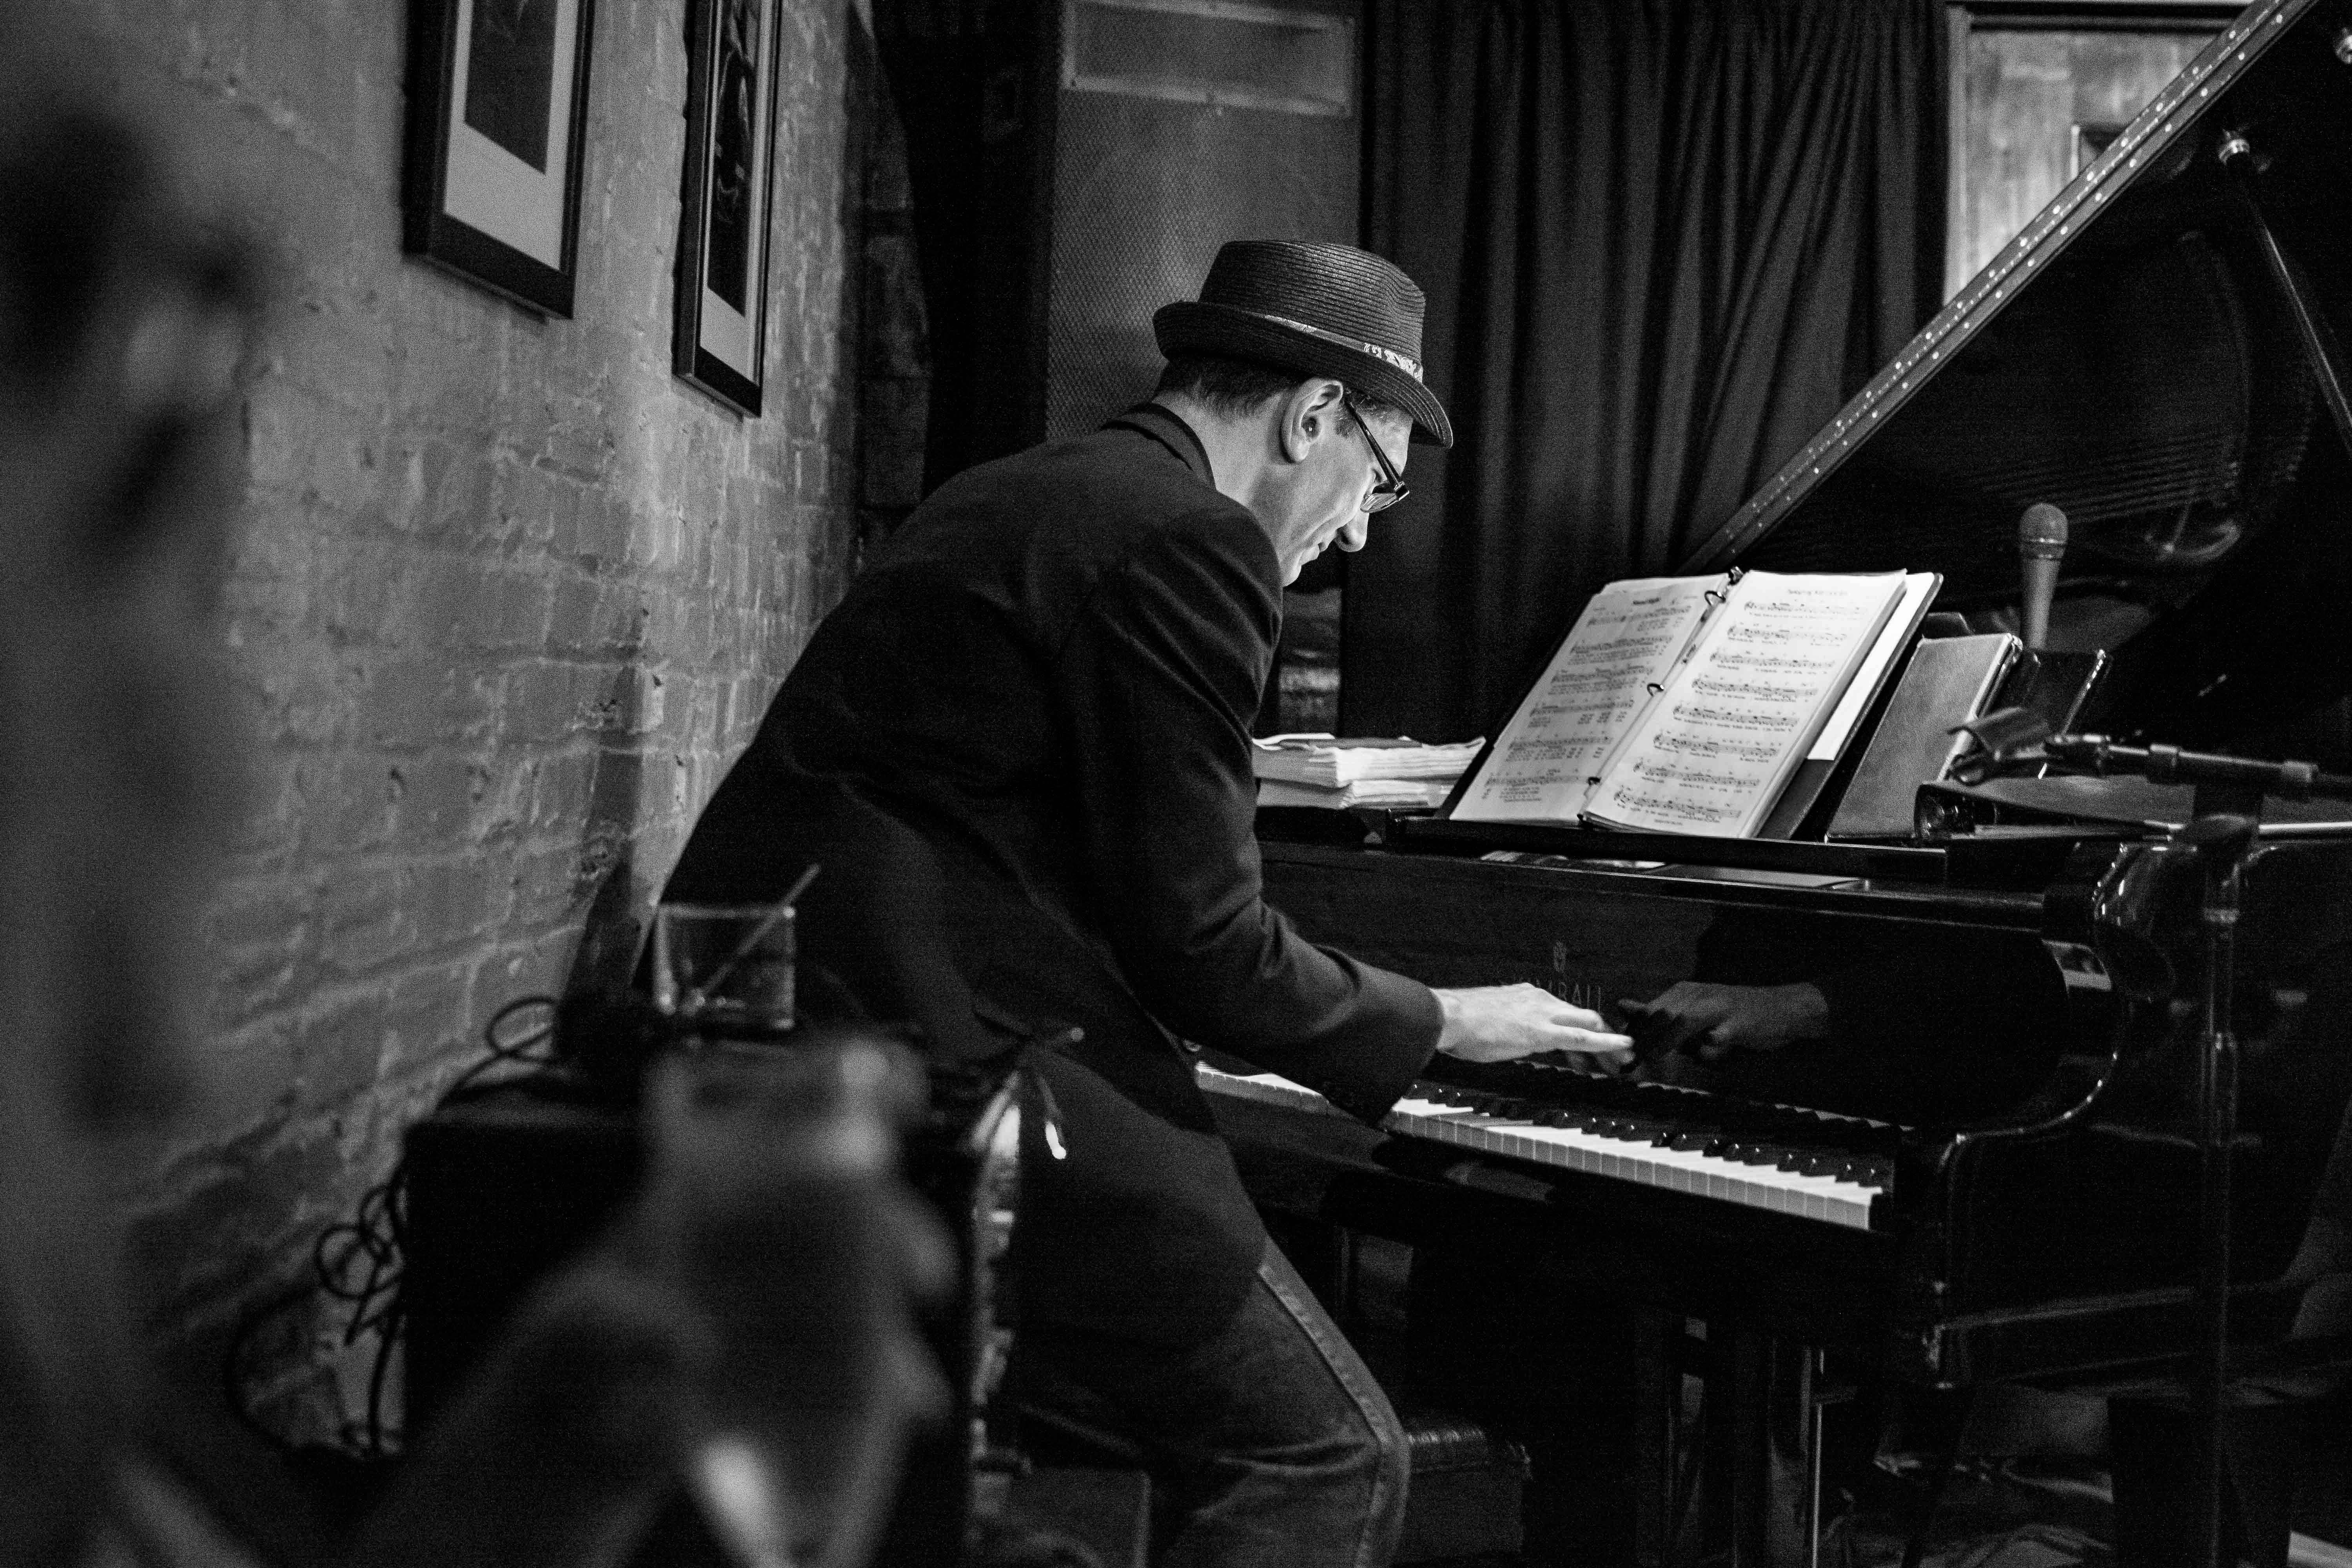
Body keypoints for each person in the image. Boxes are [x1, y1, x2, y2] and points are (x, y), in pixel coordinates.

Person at [661, 239, 1635, 1566]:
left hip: (800, 1024)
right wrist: (1447, 1019)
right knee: (1328, 1452)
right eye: (1380, 479)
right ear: (1312, 416)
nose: (1359, 530)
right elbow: (1206, 948)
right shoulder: (1193, 539)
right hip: (941, 1057)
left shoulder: (1040, 487)